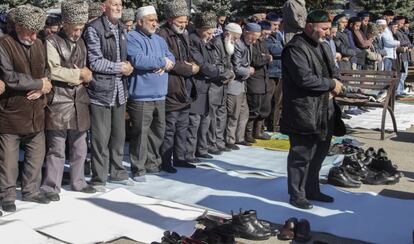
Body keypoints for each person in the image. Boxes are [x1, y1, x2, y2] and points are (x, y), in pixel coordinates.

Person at [281, 10, 345, 210]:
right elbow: (304, 79)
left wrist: (335, 84)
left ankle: (312, 189)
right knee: (301, 155)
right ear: (310, 27)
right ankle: (297, 194)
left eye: (329, 28)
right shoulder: (295, 48)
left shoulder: (324, 46)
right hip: (304, 110)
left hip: (325, 110)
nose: (328, 33)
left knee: (320, 153)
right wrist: (331, 84)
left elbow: (335, 73)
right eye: (324, 28)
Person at [41, 0, 97, 202]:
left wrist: (87, 75)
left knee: (80, 145)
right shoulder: (52, 41)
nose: (77, 33)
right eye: (75, 29)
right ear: (65, 24)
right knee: (56, 147)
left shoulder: (82, 42)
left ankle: (79, 181)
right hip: (59, 101)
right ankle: (51, 186)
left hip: (80, 99)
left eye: (81, 29)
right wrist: (79, 74)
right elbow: (53, 70)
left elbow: (86, 69)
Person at [0, 5, 53, 212]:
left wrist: (43, 89)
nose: (33, 36)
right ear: (19, 26)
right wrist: (38, 84)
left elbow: (47, 72)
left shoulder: (40, 43)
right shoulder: (4, 44)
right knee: (9, 161)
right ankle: (7, 195)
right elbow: (10, 77)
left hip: (36, 111)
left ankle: (31, 191)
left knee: (36, 156)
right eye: (30, 31)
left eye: (36, 32)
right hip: (11, 113)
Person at [84, 0, 134, 190]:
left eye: (120, 4)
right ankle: (99, 177)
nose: (118, 7)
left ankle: (118, 171)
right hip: (101, 92)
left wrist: (128, 66)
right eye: (114, 4)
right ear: (104, 7)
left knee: (119, 136)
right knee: (100, 138)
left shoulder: (121, 28)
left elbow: (124, 57)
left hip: (120, 90)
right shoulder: (94, 28)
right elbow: (95, 62)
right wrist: (120, 67)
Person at [127, 6, 175, 182]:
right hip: (141, 96)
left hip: (160, 95)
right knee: (140, 134)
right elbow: (138, 60)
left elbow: (172, 58)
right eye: (151, 20)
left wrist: (166, 62)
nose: (155, 23)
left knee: (158, 132)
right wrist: (162, 61)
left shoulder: (159, 39)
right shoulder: (132, 37)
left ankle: (152, 164)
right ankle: (138, 168)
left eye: (156, 20)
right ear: (140, 22)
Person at [158, 0, 199, 172]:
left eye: (185, 22)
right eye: (180, 22)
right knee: (170, 128)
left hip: (185, 88)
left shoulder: (184, 34)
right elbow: (171, 62)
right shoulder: (162, 35)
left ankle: (180, 158)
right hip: (171, 87)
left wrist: (194, 65)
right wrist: (190, 68)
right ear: (170, 20)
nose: (184, 25)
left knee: (183, 126)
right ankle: (166, 161)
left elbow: (189, 56)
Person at [186, 12, 224, 160]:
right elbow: (201, 64)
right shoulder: (193, 40)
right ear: (201, 28)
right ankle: (189, 153)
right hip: (197, 87)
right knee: (194, 122)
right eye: (208, 32)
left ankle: (202, 149)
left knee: (205, 120)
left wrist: (217, 70)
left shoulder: (207, 41)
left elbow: (212, 61)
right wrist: (219, 72)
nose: (210, 35)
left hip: (207, 86)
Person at [226, 23, 261, 149]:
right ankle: (230, 140)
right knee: (233, 114)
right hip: (234, 85)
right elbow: (236, 67)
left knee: (244, 113)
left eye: (257, 37)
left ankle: (239, 138)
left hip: (242, 85)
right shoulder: (238, 45)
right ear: (246, 32)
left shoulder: (249, 45)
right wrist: (249, 71)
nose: (254, 40)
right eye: (253, 36)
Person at [208, 23, 240, 153]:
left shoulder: (228, 44)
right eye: (235, 38)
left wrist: (230, 72)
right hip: (215, 85)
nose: (236, 41)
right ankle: (211, 144)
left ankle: (219, 142)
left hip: (224, 86)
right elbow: (216, 65)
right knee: (213, 116)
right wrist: (229, 74)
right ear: (227, 34)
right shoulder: (216, 43)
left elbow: (229, 63)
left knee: (222, 115)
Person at [245, 21, 273, 142]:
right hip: (255, 80)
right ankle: (248, 133)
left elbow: (266, 56)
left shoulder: (262, 42)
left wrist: (265, 57)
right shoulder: (253, 44)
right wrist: (266, 58)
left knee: (265, 106)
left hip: (264, 78)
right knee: (254, 107)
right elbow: (256, 61)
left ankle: (258, 130)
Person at [265, 13, 284, 132]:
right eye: (274, 25)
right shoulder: (266, 36)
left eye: (278, 25)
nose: (276, 27)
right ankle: (263, 125)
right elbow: (275, 50)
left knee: (278, 101)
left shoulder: (278, 35)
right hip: (271, 72)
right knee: (268, 100)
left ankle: (274, 126)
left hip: (280, 72)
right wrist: (286, 49)